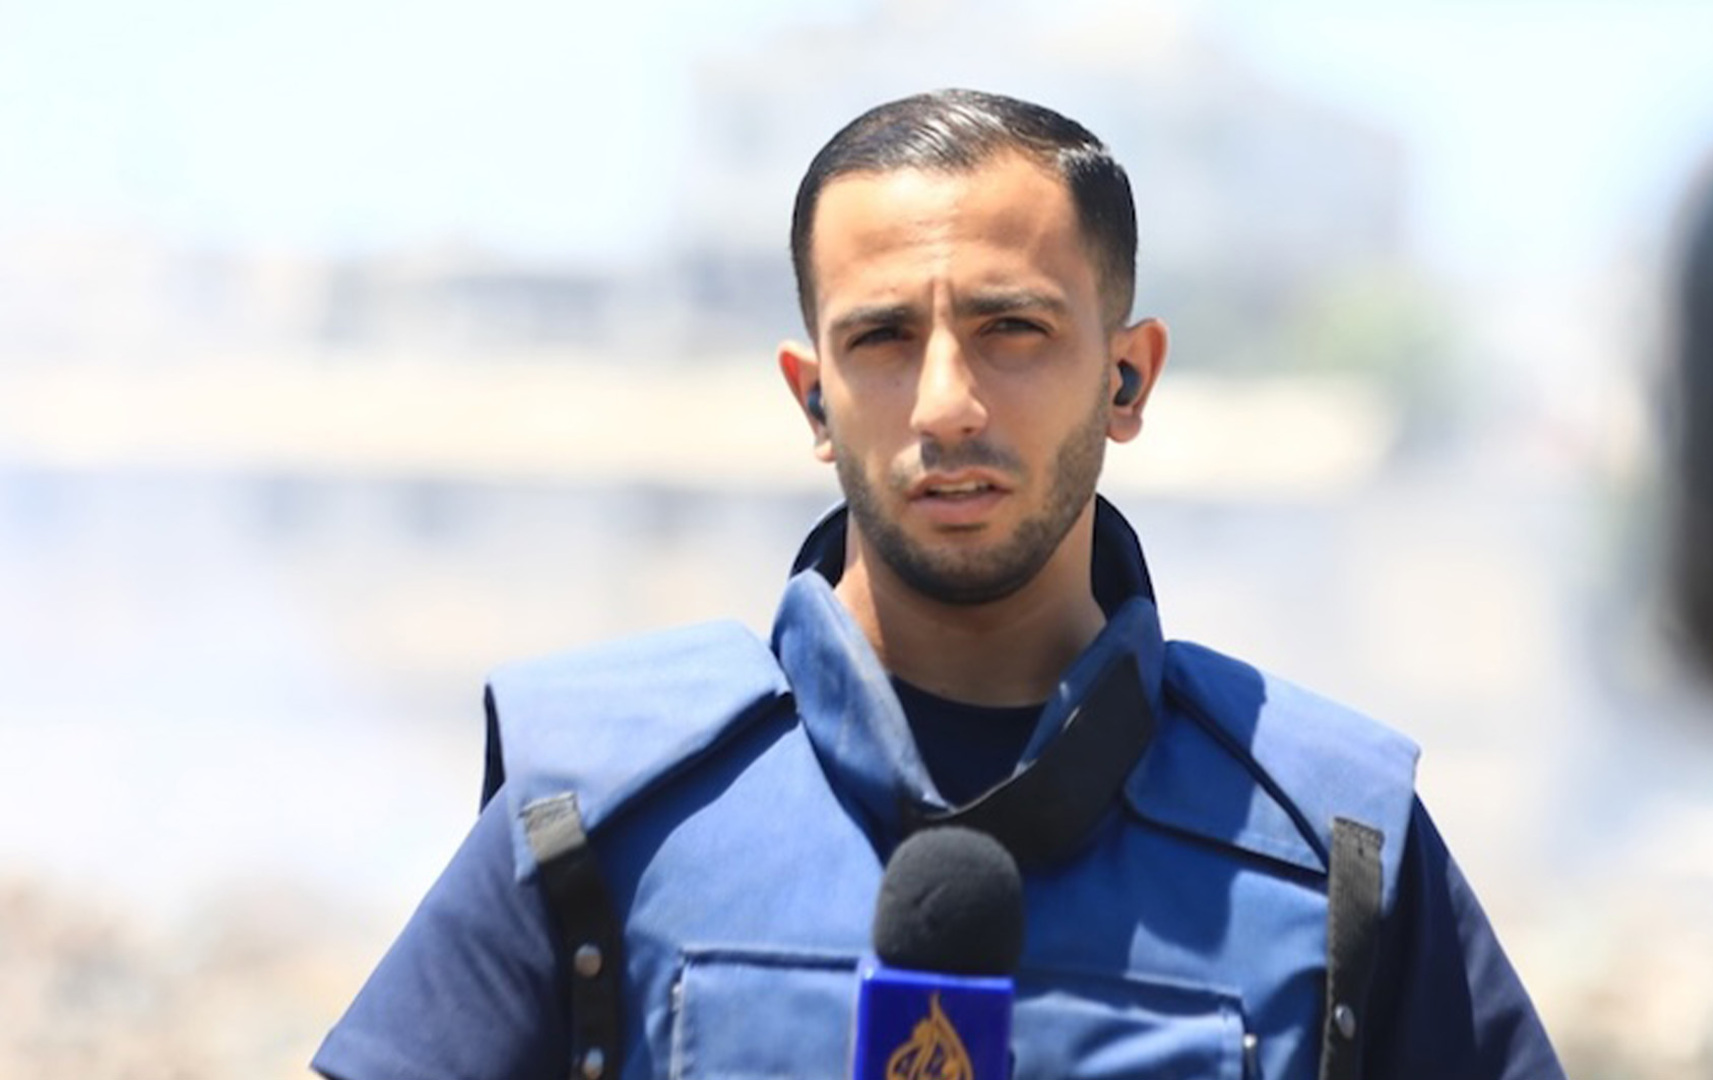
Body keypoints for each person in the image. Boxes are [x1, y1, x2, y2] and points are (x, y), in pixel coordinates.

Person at [313, 89, 1565, 1080]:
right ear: (813, 398)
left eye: (1012, 329)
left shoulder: (1334, 846)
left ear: (1127, 378)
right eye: (882, 338)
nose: (948, 403)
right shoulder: (599, 809)